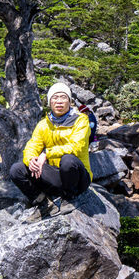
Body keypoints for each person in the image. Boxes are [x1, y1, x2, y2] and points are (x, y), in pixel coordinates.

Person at [9, 82, 93, 214]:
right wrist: (31, 160)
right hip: (57, 175)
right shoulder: (43, 124)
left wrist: (46, 154)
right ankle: (43, 203)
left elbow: (77, 147)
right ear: (49, 102)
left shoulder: (81, 120)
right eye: (55, 97)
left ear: (69, 101)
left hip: (78, 178)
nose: (59, 101)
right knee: (16, 170)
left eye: (63, 97)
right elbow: (32, 145)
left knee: (68, 160)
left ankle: (70, 198)